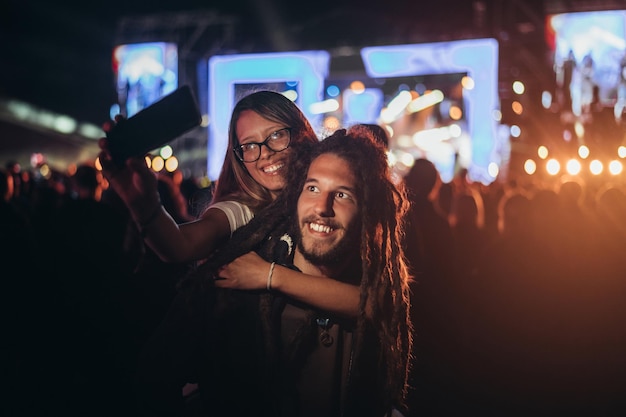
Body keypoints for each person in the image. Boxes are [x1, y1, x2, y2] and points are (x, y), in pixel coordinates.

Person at [135, 125, 414, 416]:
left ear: (369, 212)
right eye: (313, 188)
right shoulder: (235, 288)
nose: (322, 207)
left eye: (343, 195)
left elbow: (378, 307)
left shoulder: (369, 280)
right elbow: (153, 376)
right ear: (295, 195)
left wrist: (272, 276)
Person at [98, 90, 361, 318]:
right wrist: (145, 205)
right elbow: (178, 245)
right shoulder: (244, 210)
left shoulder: (335, 196)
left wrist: (271, 276)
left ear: (301, 133)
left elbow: (378, 303)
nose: (265, 152)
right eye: (249, 145)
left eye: (277, 135)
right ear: (238, 157)